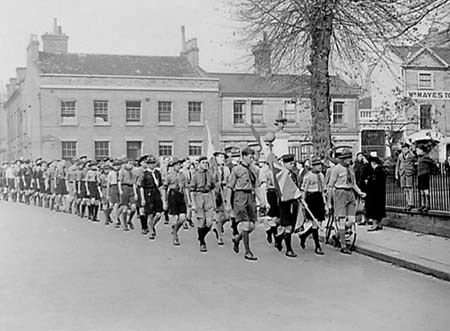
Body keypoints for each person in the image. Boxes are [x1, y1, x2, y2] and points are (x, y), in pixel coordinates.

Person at [226, 148, 267, 261]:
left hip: (250, 197)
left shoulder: (254, 170)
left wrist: (262, 200)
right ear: (243, 156)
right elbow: (230, 187)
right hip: (240, 196)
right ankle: (248, 252)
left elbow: (256, 187)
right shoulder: (236, 170)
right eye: (250, 157)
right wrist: (228, 204)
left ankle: (237, 239)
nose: (252, 159)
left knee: (252, 226)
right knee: (245, 224)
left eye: (253, 157)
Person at [328, 149, 366, 255]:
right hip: (340, 193)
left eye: (350, 158)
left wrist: (359, 192)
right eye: (348, 158)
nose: (350, 160)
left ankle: (336, 236)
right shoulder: (336, 169)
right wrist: (329, 202)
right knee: (341, 220)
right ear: (343, 159)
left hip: (350, 194)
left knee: (351, 220)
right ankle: (343, 246)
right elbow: (330, 185)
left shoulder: (351, 169)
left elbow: (353, 183)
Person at [274, 154, 301, 258]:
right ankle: (289, 250)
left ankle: (279, 238)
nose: (292, 165)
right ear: (284, 164)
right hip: (285, 202)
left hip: (294, 202)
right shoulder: (280, 175)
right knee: (288, 226)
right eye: (290, 164)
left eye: (293, 163)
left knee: (292, 225)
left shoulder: (293, 174)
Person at [299, 157, 326, 255]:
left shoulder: (321, 176)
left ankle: (304, 235)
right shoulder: (308, 176)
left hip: (319, 198)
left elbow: (323, 190)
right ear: (313, 166)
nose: (320, 167)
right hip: (311, 198)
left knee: (319, 222)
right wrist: (303, 201)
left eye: (320, 165)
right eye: (317, 165)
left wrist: (325, 203)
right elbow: (304, 190)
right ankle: (317, 246)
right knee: (315, 223)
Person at [190, 156, 216, 252]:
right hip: (199, 196)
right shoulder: (195, 175)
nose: (205, 164)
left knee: (209, 223)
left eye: (206, 163)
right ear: (199, 164)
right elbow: (192, 190)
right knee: (201, 221)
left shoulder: (209, 174)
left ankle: (201, 236)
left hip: (208, 196)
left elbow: (212, 188)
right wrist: (193, 204)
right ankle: (202, 242)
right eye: (203, 163)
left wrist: (214, 201)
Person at [163, 157, 188, 246]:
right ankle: (175, 236)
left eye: (179, 164)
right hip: (172, 195)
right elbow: (165, 188)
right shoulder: (169, 175)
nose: (179, 166)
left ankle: (175, 229)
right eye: (176, 165)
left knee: (183, 217)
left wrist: (187, 199)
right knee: (175, 217)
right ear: (173, 166)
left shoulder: (182, 175)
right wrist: (165, 201)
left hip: (180, 195)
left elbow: (185, 187)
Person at [139, 155, 165, 239]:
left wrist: (163, 197)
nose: (152, 165)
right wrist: (143, 198)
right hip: (148, 193)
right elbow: (141, 187)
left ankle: (152, 225)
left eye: (153, 163)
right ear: (147, 164)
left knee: (158, 214)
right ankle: (151, 231)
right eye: (150, 163)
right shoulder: (144, 174)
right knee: (150, 214)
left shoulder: (157, 173)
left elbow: (160, 185)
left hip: (156, 192)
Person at [366, 156, 386, 231]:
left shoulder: (376, 171)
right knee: (380, 209)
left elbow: (373, 182)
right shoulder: (381, 170)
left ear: (373, 163)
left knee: (374, 209)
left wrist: (368, 181)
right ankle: (380, 224)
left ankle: (375, 225)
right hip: (380, 193)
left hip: (374, 193)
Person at [395, 143, 417, 212]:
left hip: (409, 173)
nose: (404, 150)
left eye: (405, 149)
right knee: (405, 188)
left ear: (408, 149)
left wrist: (413, 169)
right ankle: (407, 202)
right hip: (402, 173)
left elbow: (416, 162)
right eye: (403, 149)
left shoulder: (412, 155)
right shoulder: (400, 156)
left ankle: (411, 203)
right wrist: (396, 173)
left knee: (409, 188)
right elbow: (397, 165)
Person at [416, 145, 435, 213]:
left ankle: (427, 205)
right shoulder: (419, 158)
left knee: (425, 190)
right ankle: (422, 205)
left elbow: (432, 162)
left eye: (418, 150)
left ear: (422, 151)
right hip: (420, 175)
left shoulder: (426, 157)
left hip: (424, 175)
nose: (417, 151)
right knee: (421, 191)